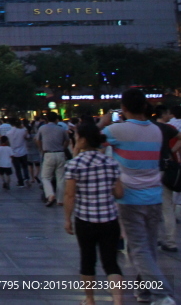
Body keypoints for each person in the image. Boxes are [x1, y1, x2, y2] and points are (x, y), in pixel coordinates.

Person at [100, 89, 176, 305]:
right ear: (145, 107)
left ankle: (162, 294)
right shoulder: (156, 130)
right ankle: (145, 293)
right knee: (148, 247)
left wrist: (103, 122)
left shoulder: (116, 130)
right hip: (154, 195)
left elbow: (89, 140)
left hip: (129, 198)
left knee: (138, 250)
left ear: (123, 109)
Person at [64, 121, 124, 305]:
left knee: (87, 259)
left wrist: (67, 219)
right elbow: (119, 193)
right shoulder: (111, 162)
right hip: (109, 219)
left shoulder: (75, 165)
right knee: (110, 261)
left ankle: (90, 299)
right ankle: (118, 300)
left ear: (81, 139)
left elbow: (69, 195)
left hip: (85, 219)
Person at [153, 104, 181, 253]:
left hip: (150, 170)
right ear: (162, 114)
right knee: (167, 207)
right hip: (165, 168)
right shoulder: (166, 128)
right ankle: (171, 241)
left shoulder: (149, 127)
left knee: (150, 207)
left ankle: (153, 238)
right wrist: (171, 151)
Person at [38, 111, 70, 207]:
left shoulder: (42, 128)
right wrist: (63, 148)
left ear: (46, 119)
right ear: (57, 119)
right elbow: (67, 140)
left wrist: (41, 149)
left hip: (48, 154)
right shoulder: (61, 129)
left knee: (45, 177)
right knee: (60, 178)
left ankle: (50, 194)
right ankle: (60, 200)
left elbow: (37, 140)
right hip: (60, 153)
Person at [7, 118, 29, 187]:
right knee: (25, 166)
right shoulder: (22, 131)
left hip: (14, 152)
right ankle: (26, 178)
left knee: (17, 169)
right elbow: (28, 137)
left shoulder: (8, 133)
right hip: (23, 151)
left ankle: (20, 182)